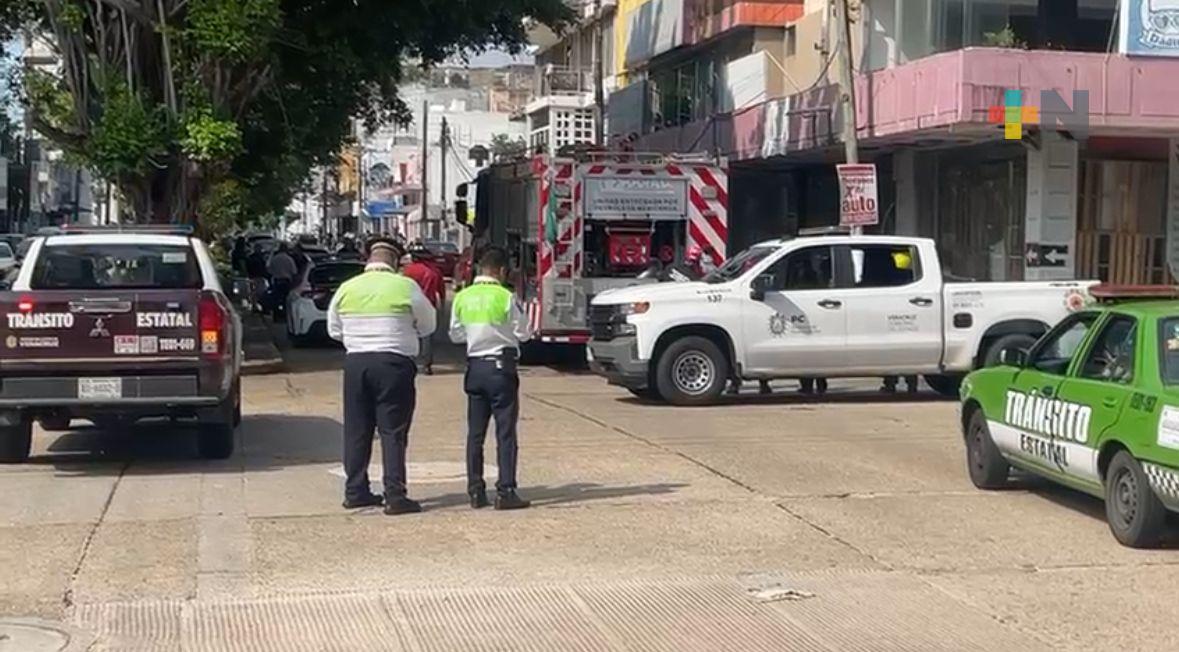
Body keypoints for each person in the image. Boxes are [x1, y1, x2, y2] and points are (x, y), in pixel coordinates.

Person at [328, 238, 436, 515]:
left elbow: (334, 329)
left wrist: (359, 337)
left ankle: (355, 491)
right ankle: (395, 495)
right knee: (393, 431)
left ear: (368, 259)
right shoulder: (405, 286)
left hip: (356, 363)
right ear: (395, 262)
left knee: (357, 430)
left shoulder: (347, 288)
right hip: (394, 362)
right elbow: (428, 323)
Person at [449, 247, 532, 511]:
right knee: (505, 432)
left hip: (475, 369)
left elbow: (455, 335)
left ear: (479, 270)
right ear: (503, 271)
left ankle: (475, 491)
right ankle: (505, 491)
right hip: (501, 368)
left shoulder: (462, 297)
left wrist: (477, 336)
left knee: (475, 434)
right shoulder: (506, 297)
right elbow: (525, 332)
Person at [402, 244, 445, 375]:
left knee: (411, 333)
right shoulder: (435, 271)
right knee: (427, 335)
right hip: (429, 304)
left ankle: (412, 361)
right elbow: (441, 291)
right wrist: (442, 307)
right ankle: (427, 364)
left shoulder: (408, 271)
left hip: (411, 304)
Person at [265, 244, 298, 320]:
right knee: (286, 299)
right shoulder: (289, 259)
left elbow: (269, 270)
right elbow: (294, 272)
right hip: (286, 281)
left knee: (275, 298)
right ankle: (285, 315)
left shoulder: (275, 259)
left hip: (277, 281)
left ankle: (276, 315)